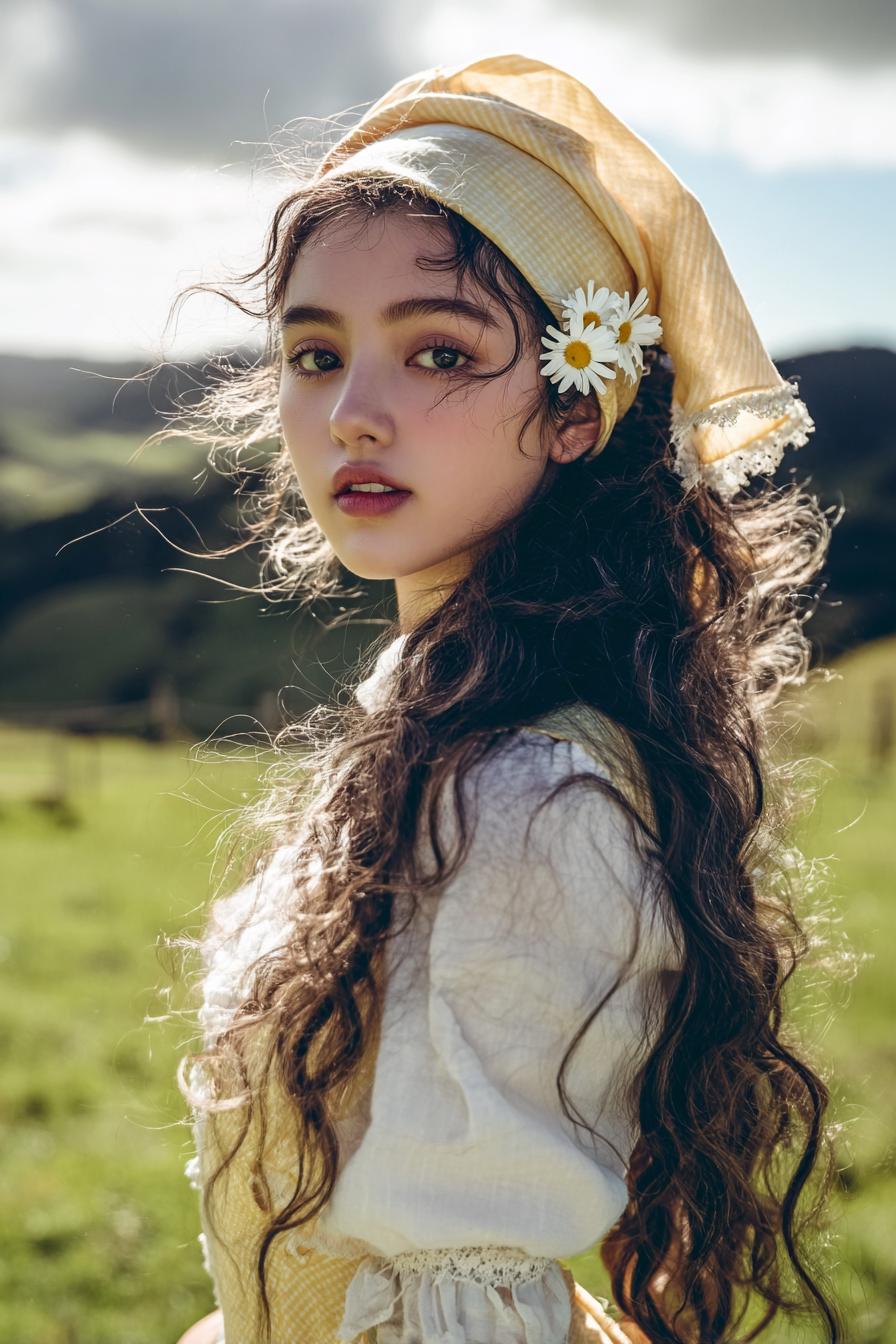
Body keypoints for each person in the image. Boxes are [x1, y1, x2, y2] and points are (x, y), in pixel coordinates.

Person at [169, 53, 843, 1344]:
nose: (355, 414)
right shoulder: (437, 708)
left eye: (437, 351)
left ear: (579, 404)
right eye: (315, 354)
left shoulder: (530, 798)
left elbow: (455, 1288)